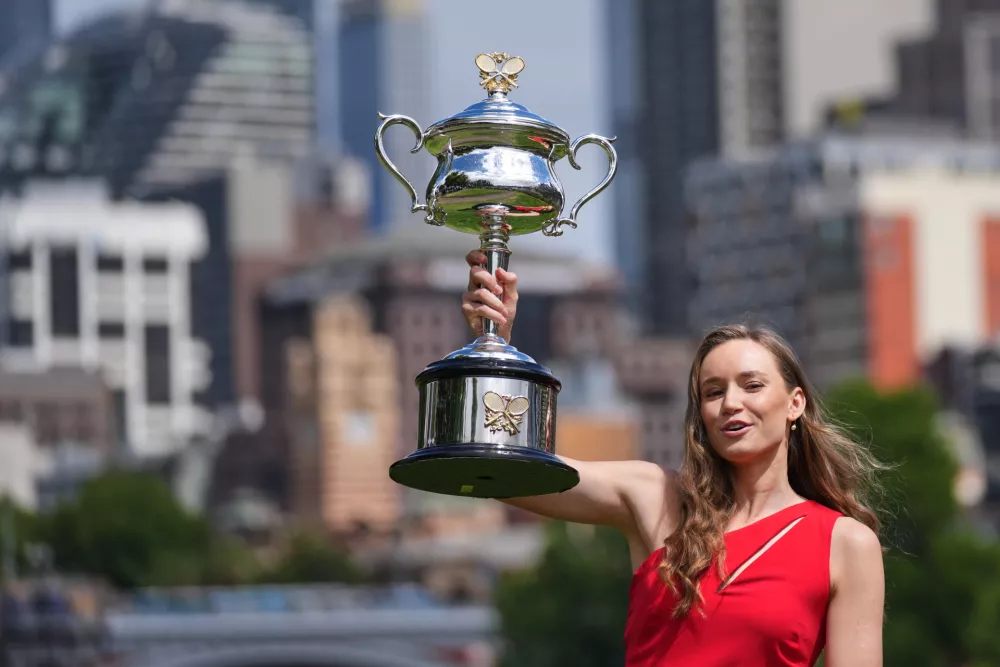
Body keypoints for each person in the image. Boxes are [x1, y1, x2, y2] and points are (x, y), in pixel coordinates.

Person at [460, 250, 886, 667]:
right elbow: (502, 472)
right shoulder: (657, 497)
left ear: (795, 403)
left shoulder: (844, 543)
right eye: (714, 391)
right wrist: (494, 346)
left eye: (752, 385)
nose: (731, 403)